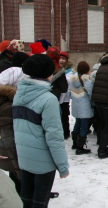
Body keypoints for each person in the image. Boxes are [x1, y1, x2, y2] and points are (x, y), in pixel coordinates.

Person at [13, 54, 69, 207]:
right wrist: (63, 166)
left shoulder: (19, 93)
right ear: (47, 74)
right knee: (39, 202)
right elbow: (54, 137)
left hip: (24, 157)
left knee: (25, 199)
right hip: (43, 162)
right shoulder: (48, 99)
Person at [70, 61, 93, 155]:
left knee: (77, 123)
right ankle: (80, 147)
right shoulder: (86, 81)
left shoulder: (72, 80)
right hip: (85, 107)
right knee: (84, 126)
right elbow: (91, 93)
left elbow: (69, 93)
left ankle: (75, 143)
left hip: (76, 106)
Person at [47, 46, 69, 139]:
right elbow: (64, 87)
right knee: (60, 116)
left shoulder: (43, 65)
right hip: (56, 96)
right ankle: (63, 133)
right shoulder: (58, 69)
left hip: (43, 95)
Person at [59, 51, 75, 140]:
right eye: (60, 58)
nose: (61, 61)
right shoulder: (55, 69)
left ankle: (66, 132)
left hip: (65, 97)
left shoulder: (70, 71)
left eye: (63, 59)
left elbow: (70, 81)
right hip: (57, 96)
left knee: (65, 115)